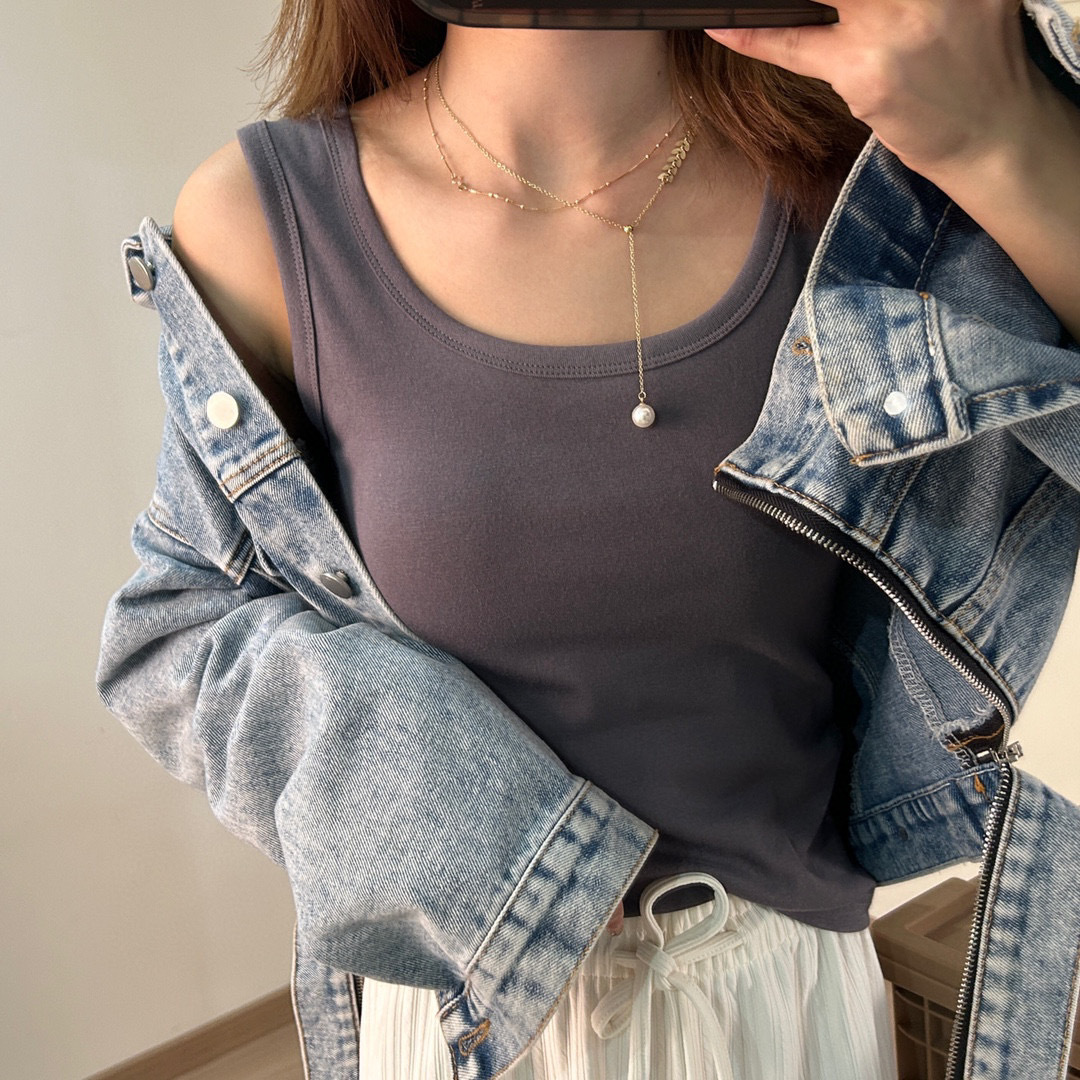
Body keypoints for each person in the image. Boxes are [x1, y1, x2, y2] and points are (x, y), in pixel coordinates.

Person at [97, 1, 1080, 1077]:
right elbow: (178, 629)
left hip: (790, 1003)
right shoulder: (271, 215)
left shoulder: (870, 199)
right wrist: (504, 848)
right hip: (468, 1018)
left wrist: (1008, 134)